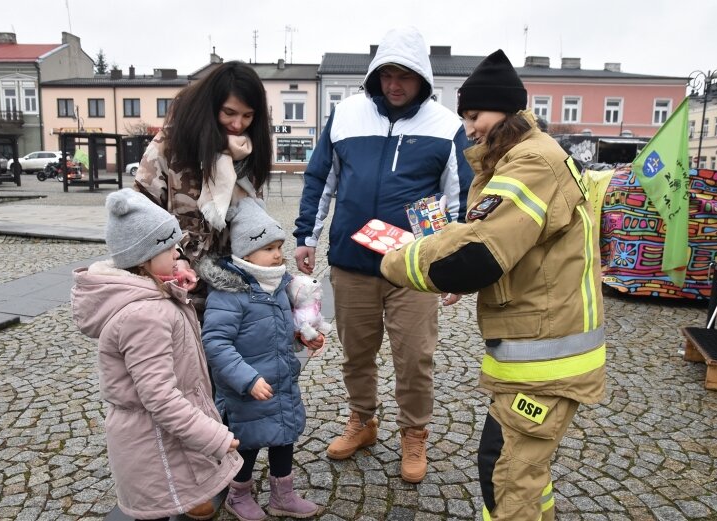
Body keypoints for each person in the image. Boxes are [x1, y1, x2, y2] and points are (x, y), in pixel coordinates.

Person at [380, 49, 606, 520]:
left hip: (545, 361)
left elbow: (475, 257)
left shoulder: (530, 163)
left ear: (506, 109)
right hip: (545, 354)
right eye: (463, 116)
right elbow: (507, 244)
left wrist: (395, 262)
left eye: (475, 114)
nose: (468, 128)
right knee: (525, 474)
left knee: (505, 476)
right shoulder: (532, 156)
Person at [293, 26, 474, 483]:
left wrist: (452, 268)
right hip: (353, 264)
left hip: (414, 270)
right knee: (356, 353)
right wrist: (306, 237)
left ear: (423, 79)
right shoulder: (345, 115)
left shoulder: (446, 126)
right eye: (388, 75)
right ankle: (363, 420)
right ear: (376, 75)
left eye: (406, 76)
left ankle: (414, 433)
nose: (395, 85)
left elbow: (460, 201)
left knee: (414, 357)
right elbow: (321, 180)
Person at [71, 188, 242, 521]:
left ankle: (190, 497)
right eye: (170, 249)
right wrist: (215, 437)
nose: (179, 254)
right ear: (143, 259)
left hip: (164, 436)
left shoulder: (151, 297)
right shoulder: (144, 316)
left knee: (173, 492)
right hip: (152, 441)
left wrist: (174, 283)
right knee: (157, 507)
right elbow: (160, 398)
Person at [197, 197, 324, 521]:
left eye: (280, 246)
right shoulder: (229, 294)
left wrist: (299, 339)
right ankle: (238, 495)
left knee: (284, 437)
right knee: (247, 443)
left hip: (280, 382)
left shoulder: (277, 286)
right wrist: (247, 379)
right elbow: (216, 342)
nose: (278, 254)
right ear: (244, 251)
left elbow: (279, 331)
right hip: (247, 390)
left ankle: (283, 495)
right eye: (269, 248)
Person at [134, 60, 273, 314]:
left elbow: (253, 219)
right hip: (177, 289)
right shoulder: (170, 145)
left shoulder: (249, 152)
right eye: (229, 112)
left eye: (247, 115)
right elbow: (141, 212)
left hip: (232, 295)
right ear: (210, 107)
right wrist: (176, 260)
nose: (238, 124)